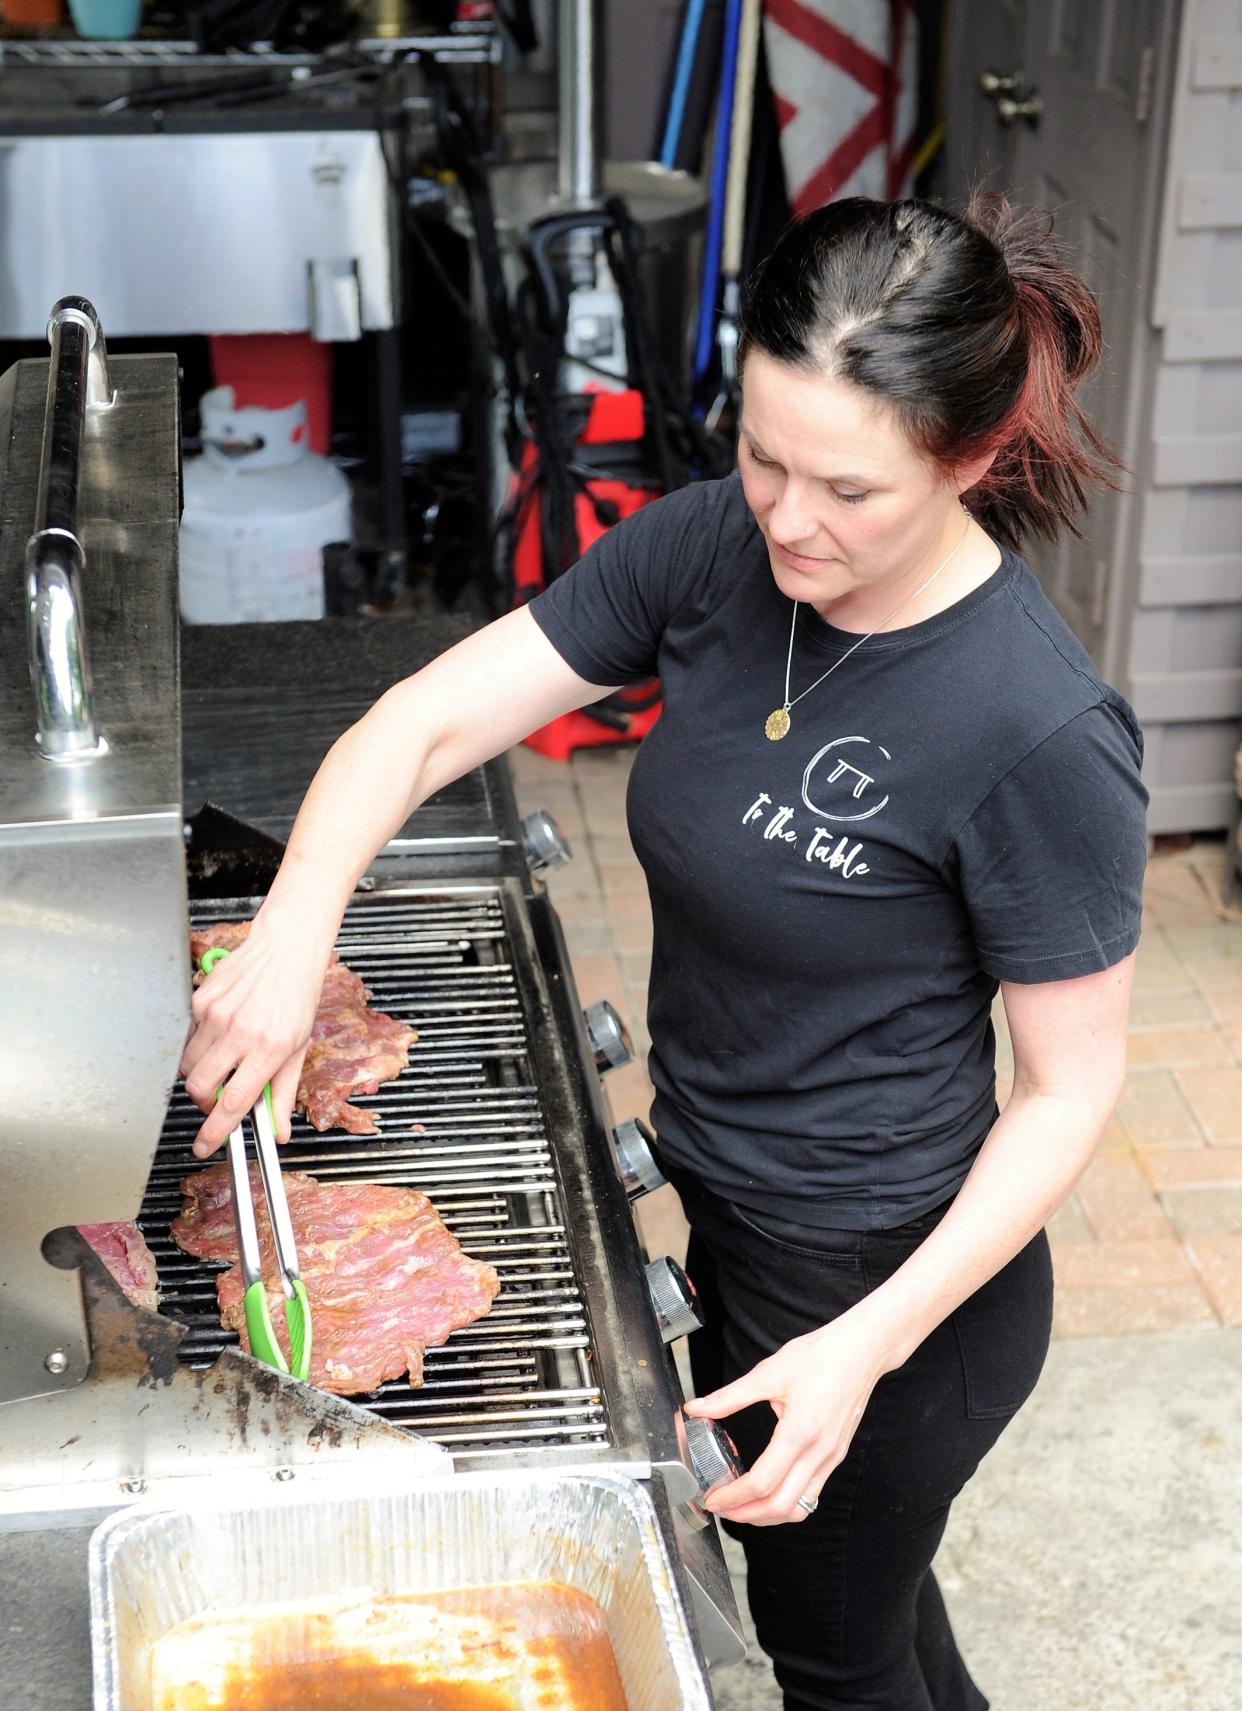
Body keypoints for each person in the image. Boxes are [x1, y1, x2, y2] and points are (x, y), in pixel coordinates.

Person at [181, 194, 1148, 1710]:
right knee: (871, 1611)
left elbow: (1066, 1094)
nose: (786, 520)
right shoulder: (712, 548)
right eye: (762, 455)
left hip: (890, 1279)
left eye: (846, 487)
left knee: (828, 1658)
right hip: (738, 1217)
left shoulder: (1033, 728)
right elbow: (422, 720)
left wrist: (864, 1349)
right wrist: (296, 930)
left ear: (968, 459)